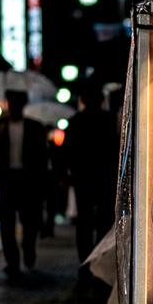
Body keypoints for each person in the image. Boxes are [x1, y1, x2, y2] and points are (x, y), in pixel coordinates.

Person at [0, 90, 49, 282]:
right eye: (11, 103)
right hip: (6, 181)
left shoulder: (34, 127)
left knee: (30, 223)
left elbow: (42, 157)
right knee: (7, 225)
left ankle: (28, 248)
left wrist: (42, 183)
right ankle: (12, 263)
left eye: (17, 103)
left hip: (28, 182)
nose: (14, 107)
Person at [61, 80, 120, 287]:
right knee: (104, 223)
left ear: (82, 100)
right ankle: (100, 265)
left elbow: (66, 153)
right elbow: (117, 149)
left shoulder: (75, 121)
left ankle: (85, 267)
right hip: (106, 178)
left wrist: (69, 175)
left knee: (84, 224)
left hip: (83, 178)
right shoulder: (110, 120)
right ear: (102, 100)